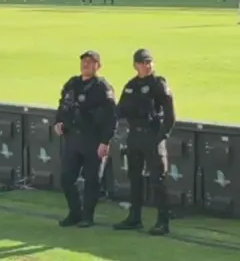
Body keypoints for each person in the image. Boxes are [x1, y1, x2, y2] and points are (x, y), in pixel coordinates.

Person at [113, 49, 176, 236]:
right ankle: (134, 218)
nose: (146, 65)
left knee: (158, 180)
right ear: (135, 65)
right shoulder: (131, 86)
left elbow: (170, 115)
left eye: (149, 62)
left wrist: (161, 136)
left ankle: (163, 222)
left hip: (152, 136)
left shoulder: (158, 84)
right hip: (134, 136)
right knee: (134, 177)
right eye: (142, 62)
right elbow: (120, 110)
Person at [54, 50, 117, 228]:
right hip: (73, 138)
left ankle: (87, 216)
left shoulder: (102, 88)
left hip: (93, 139)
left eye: (90, 62)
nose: (86, 64)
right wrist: (58, 121)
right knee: (66, 178)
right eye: (84, 61)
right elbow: (63, 105)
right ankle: (75, 212)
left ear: (98, 66)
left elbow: (111, 117)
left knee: (92, 180)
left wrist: (105, 141)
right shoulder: (72, 84)